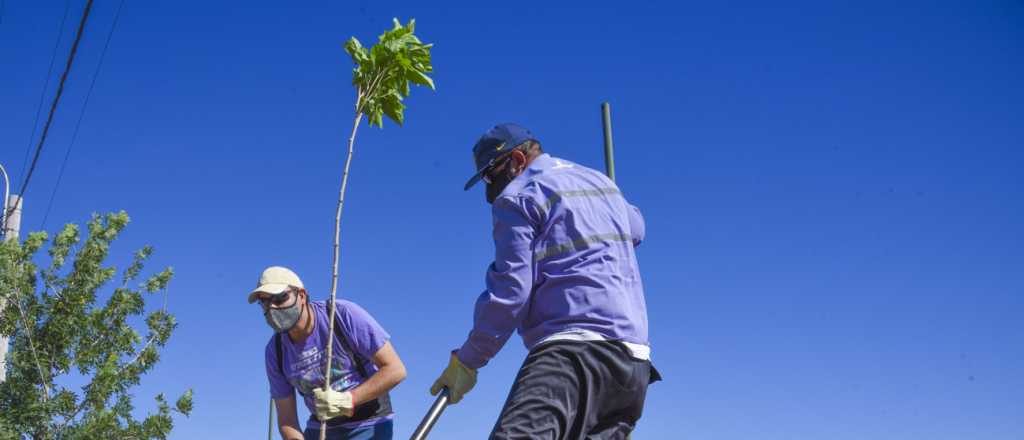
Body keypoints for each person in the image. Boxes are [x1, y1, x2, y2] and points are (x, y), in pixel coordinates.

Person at [430, 123, 660, 439]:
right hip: (632, 365)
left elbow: (511, 293)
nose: (490, 190)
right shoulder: (601, 182)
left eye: (490, 175)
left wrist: (468, 361)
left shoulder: (518, 197)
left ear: (517, 161)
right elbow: (637, 229)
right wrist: (605, 202)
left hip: (574, 356)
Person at [250, 266, 405, 440]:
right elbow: (287, 420)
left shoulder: (342, 315)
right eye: (264, 302)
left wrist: (347, 400)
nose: (272, 308)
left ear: (301, 295)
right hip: (321, 427)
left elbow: (395, 370)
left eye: (279, 298)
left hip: (368, 421)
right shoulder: (275, 351)